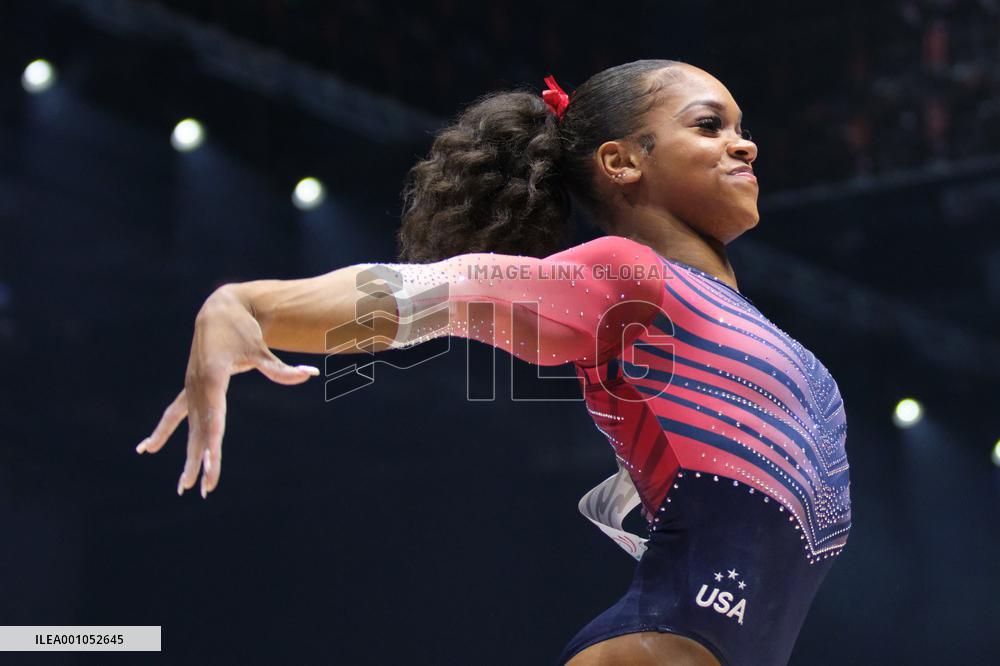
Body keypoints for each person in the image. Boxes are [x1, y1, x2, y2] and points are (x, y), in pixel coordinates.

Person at [136, 59, 852, 665]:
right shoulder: (629, 277)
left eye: (741, 128)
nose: (744, 145)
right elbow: (444, 291)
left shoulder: (745, 328)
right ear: (622, 161)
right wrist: (250, 306)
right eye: (709, 126)